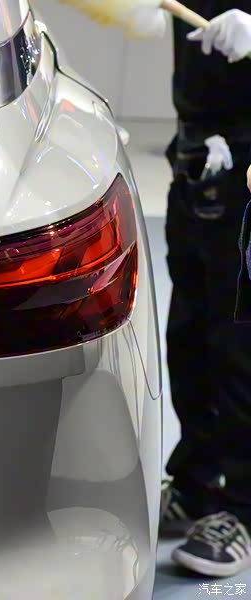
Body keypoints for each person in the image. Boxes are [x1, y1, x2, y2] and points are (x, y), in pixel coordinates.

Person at [153, 4, 251, 578]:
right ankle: (197, 480)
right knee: (190, 335)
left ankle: (243, 506)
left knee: (242, 343)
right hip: (200, 151)